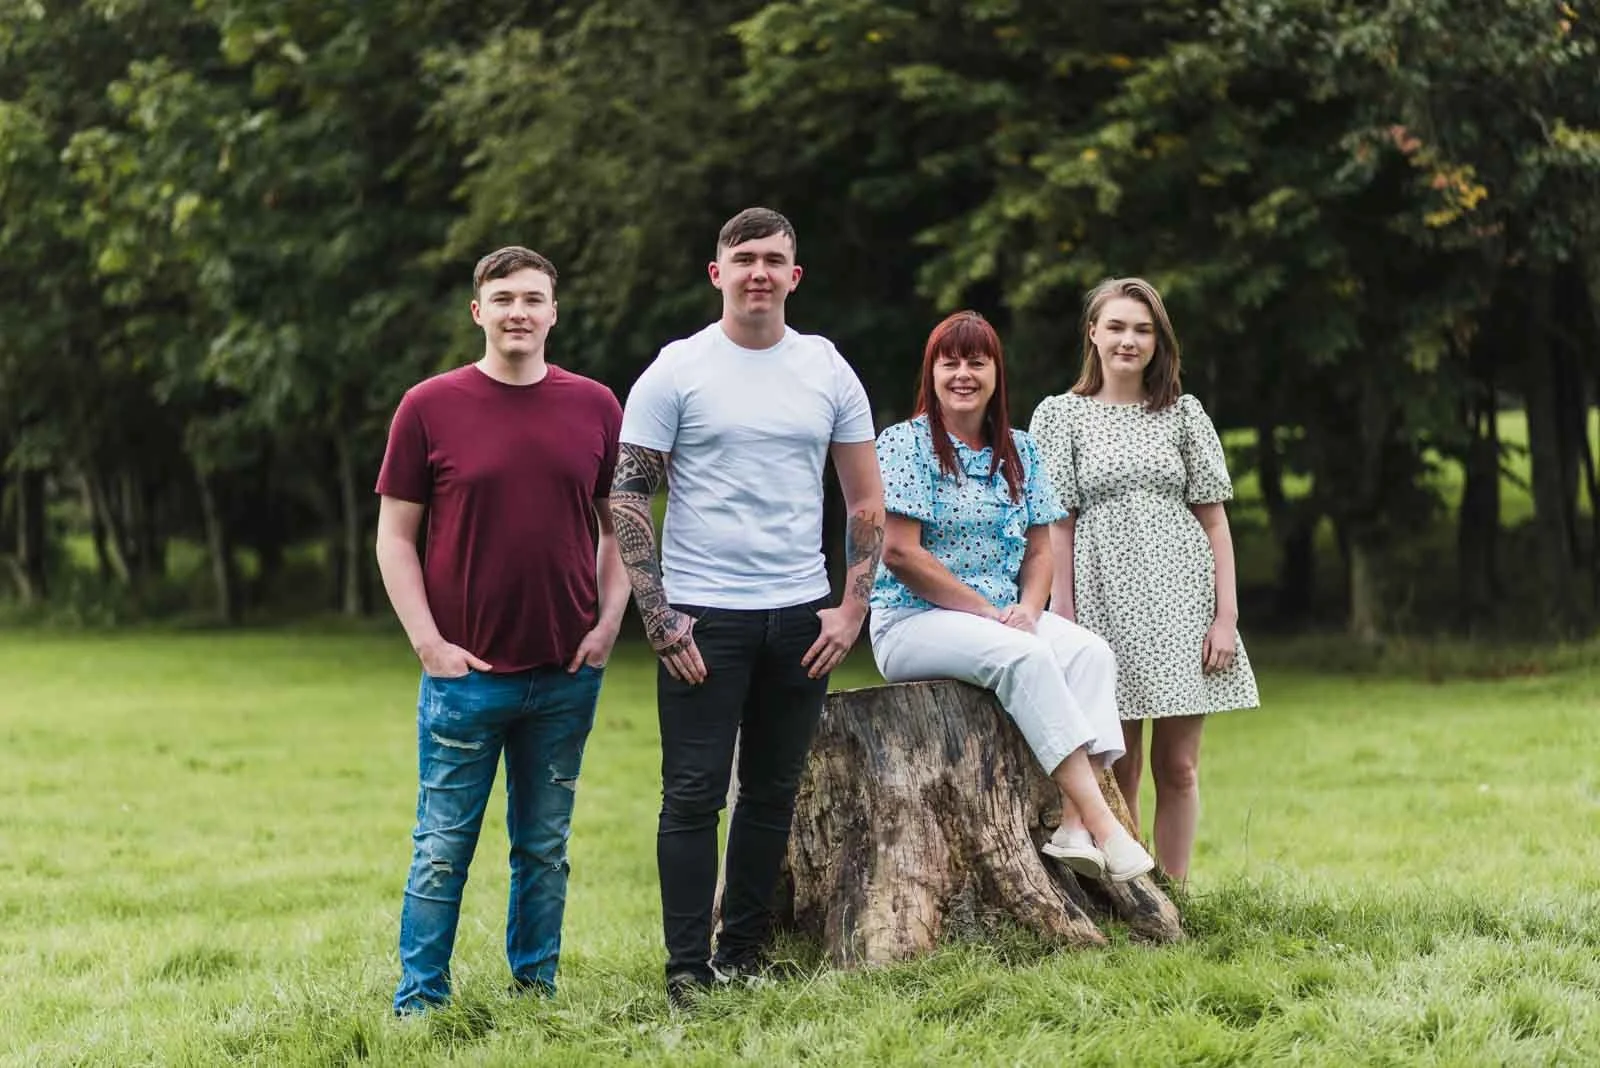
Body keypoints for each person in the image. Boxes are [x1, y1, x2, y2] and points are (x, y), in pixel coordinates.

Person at [609, 207, 886, 1008]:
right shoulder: (677, 369)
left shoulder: (827, 369)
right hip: (704, 618)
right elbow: (628, 494)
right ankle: (687, 971)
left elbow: (864, 499)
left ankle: (745, 954)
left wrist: (849, 610)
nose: (758, 271)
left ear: (794, 276)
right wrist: (658, 618)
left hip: (800, 618)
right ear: (718, 273)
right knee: (693, 796)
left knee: (771, 795)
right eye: (744, 258)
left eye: (774, 259)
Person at [374, 246, 628, 1014]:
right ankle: (420, 1001)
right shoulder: (428, 405)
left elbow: (625, 530)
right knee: (441, 850)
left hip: (564, 673)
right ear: (478, 311)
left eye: (534, 298)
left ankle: (536, 993)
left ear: (554, 312)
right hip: (463, 676)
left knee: (544, 850)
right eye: (504, 298)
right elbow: (394, 538)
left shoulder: (596, 406)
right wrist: (427, 643)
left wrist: (608, 623)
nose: (519, 311)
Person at [869, 310, 1156, 884]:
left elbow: (1042, 552)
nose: (963, 374)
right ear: (932, 373)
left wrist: (1028, 608)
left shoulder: (1020, 449)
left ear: (997, 373)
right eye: (949, 362)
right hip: (911, 621)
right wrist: (992, 616)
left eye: (977, 361)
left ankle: (1073, 826)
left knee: (1090, 653)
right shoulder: (904, 444)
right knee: (1024, 656)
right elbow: (900, 553)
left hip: (1002, 614)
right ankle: (1107, 825)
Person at [1028, 277, 1260, 884]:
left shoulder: (1183, 415)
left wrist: (1225, 617)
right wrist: (1067, 618)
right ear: (1093, 334)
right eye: (1117, 327)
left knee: (1179, 768)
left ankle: (1175, 892)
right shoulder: (1061, 415)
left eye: (1143, 329)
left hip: (1184, 605)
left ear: (1159, 341)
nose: (1129, 340)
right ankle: (1127, 892)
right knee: (1119, 766)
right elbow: (1058, 526)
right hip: (1105, 605)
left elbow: (1215, 523)